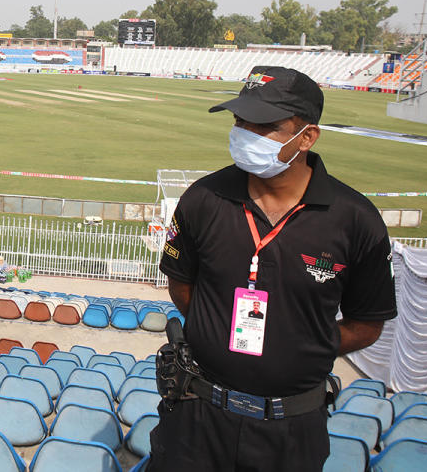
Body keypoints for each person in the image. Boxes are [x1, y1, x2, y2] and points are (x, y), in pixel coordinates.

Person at [151, 66, 396, 472]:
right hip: (197, 416)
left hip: (291, 430)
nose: (246, 132)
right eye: (240, 120)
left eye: (264, 125)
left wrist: (300, 347)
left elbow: (366, 324)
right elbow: (182, 287)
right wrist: (218, 330)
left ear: (308, 136)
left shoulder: (355, 220)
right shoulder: (203, 198)